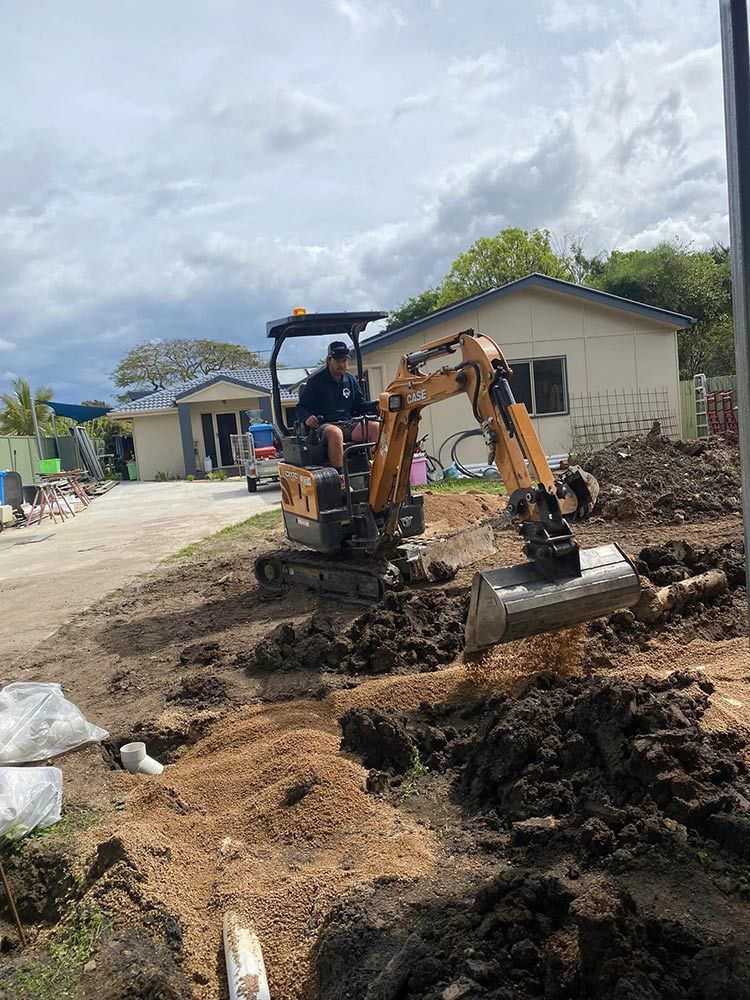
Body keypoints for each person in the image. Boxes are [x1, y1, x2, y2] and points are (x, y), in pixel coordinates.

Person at [296, 341, 380, 471]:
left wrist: (376, 405)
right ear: (329, 360)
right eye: (338, 361)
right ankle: (341, 476)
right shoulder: (316, 381)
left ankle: (376, 470)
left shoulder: (350, 380)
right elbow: (301, 407)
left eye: (344, 361)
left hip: (348, 423)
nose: (342, 365)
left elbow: (360, 405)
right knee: (336, 433)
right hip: (325, 425)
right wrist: (307, 418)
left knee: (375, 427)